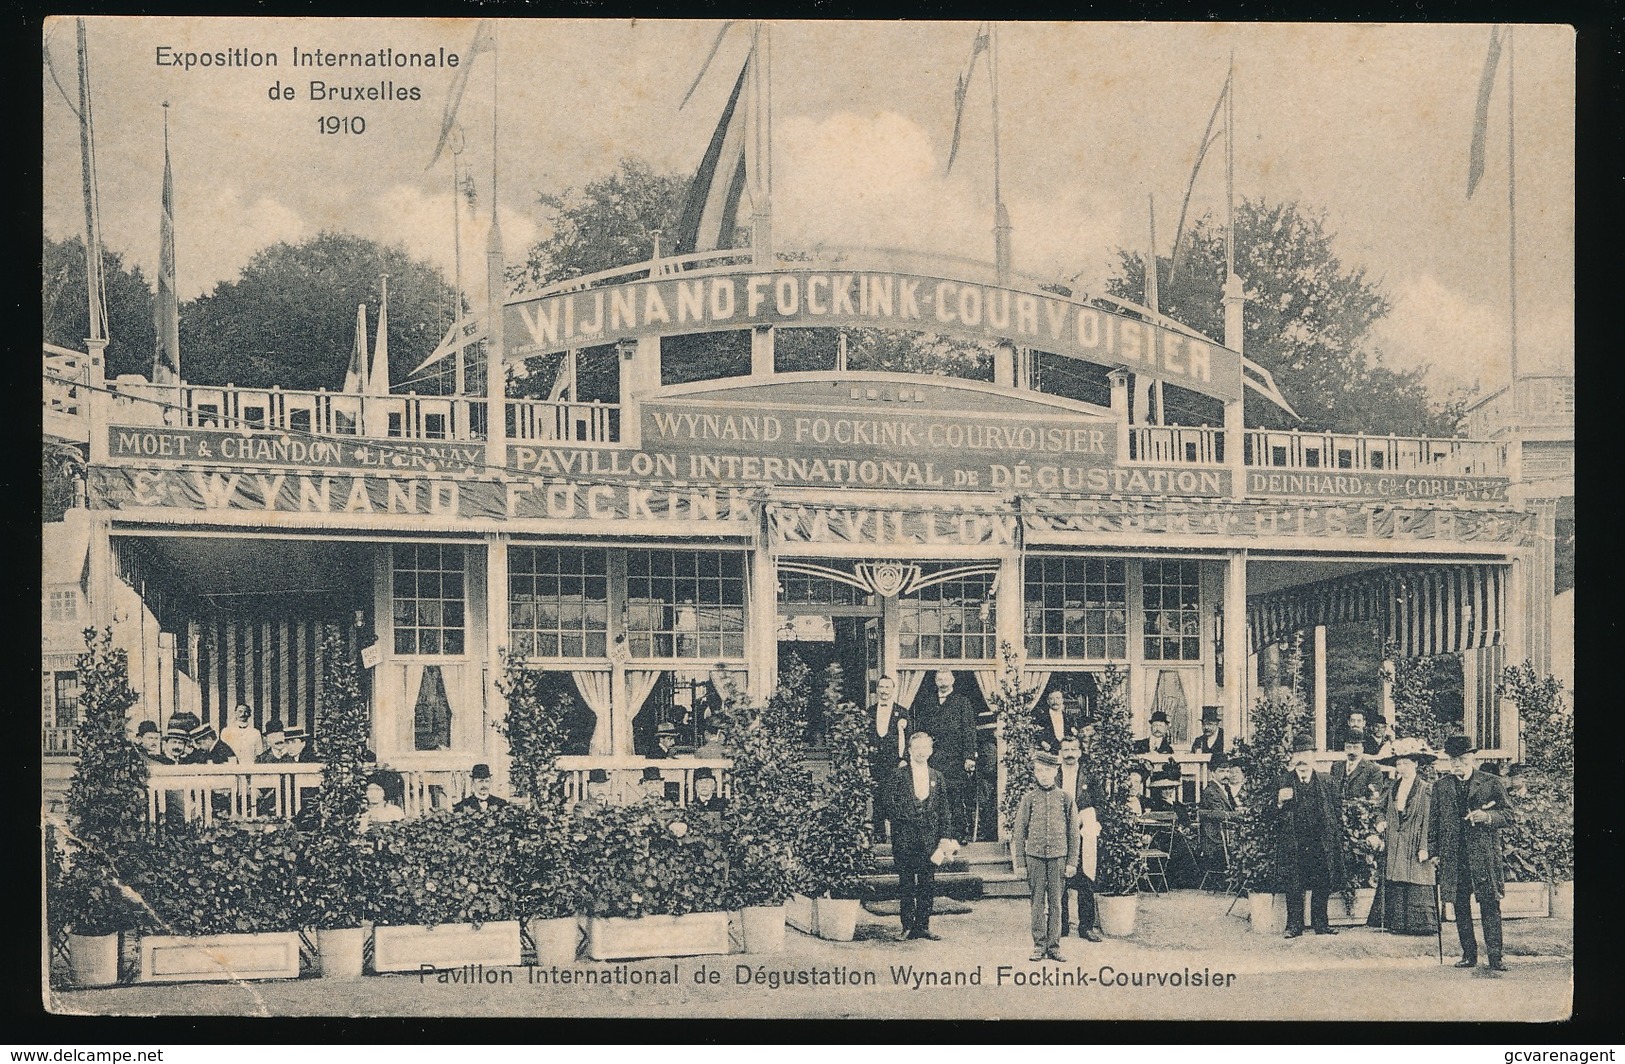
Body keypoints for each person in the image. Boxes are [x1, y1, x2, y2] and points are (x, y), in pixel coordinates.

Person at [1431, 734, 1513, 972]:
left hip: (1483, 855)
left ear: (1471, 758)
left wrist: (1487, 817)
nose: (1457, 764)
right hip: (1454, 856)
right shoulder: (1441, 786)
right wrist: (1435, 851)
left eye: (1461, 759)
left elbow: (1509, 815)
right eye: (1452, 760)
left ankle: (1496, 957)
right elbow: (1434, 822)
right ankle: (1469, 955)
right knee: (1460, 906)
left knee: (1489, 904)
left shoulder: (1490, 782)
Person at [1011, 748, 1079, 963]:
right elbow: (1019, 830)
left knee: (1057, 904)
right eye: (1039, 771)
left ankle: (1054, 945)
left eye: (1047, 771)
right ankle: (1039, 945)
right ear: (1035, 773)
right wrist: (1020, 862)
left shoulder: (1065, 799)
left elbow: (1073, 833)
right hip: (1035, 857)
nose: (1043, 775)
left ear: (1055, 771)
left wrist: (1071, 862)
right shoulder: (1029, 799)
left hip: (1059, 857)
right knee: (1037, 902)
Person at [1274, 734, 1345, 938]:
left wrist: (1333, 836)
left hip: (1320, 842)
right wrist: (1278, 802)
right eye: (1299, 754)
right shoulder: (1283, 781)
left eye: (1307, 753)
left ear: (1313, 756)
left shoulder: (1327, 781)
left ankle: (1321, 924)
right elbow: (1269, 814)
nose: (1303, 758)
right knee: (1294, 883)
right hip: (1294, 842)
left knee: (1321, 882)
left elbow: (1337, 812)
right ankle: (1294, 926)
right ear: (1293, 757)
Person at [1368, 738, 1440, 934]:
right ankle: (1397, 924)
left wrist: (1426, 847)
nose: (1401, 767)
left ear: (1415, 764)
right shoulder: (1391, 787)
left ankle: (1420, 926)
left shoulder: (1426, 789)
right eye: (1399, 764)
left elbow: (1431, 821)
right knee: (1395, 878)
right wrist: (1380, 821)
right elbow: (1380, 809)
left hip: (1416, 841)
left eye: (1406, 763)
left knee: (1416, 877)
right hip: (1395, 842)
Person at [887, 731, 953, 941]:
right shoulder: (898, 776)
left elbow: (944, 809)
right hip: (905, 838)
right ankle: (907, 926)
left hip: (930, 840)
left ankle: (923, 925)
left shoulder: (937, 776)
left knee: (927, 882)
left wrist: (944, 837)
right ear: (909, 751)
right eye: (917, 748)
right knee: (906, 882)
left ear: (931, 751)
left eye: (925, 748)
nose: (921, 752)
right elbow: (889, 805)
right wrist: (904, 820)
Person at [910, 670, 977, 841]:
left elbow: (969, 731)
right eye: (939, 678)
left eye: (946, 678)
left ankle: (958, 833)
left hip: (954, 758)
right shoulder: (928, 702)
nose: (943, 681)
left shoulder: (962, 702)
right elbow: (921, 729)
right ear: (935, 681)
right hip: (932, 757)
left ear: (953, 680)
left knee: (954, 796)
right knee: (932, 794)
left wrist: (969, 756)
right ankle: (935, 833)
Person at [1056, 735, 1103, 942]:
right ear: (1060, 754)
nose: (1069, 755)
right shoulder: (1054, 776)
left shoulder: (1089, 776)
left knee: (1085, 878)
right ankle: (1062, 925)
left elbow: (1101, 804)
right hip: (1060, 834)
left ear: (1080, 753)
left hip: (1084, 833)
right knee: (1060, 880)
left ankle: (1086, 926)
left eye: (1073, 750)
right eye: (1065, 750)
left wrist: (1086, 816)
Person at [865, 675, 909, 841]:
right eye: (881, 687)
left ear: (893, 690)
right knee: (877, 796)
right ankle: (879, 833)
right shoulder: (870, 712)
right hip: (875, 762)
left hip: (895, 762)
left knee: (895, 796)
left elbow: (909, 737)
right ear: (877, 690)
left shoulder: (902, 712)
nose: (884, 691)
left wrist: (904, 759)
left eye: (887, 687)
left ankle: (897, 833)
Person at [1198, 757, 1245, 873]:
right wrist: (1241, 814)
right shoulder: (1211, 792)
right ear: (1212, 773)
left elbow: (1231, 809)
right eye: (1221, 771)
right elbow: (1220, 814)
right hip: (1217, 837)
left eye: (1228, 771)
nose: (1226, 775)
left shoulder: (1225, 789)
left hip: (1227, 832)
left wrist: (1240, 810)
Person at [1133, 711, 1181, 783]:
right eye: (1155, 725)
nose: (1157, 728)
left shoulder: (1168, 749)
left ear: (1166, 728)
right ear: (1151, 727)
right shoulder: (1138, 744)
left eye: (1161, 726)